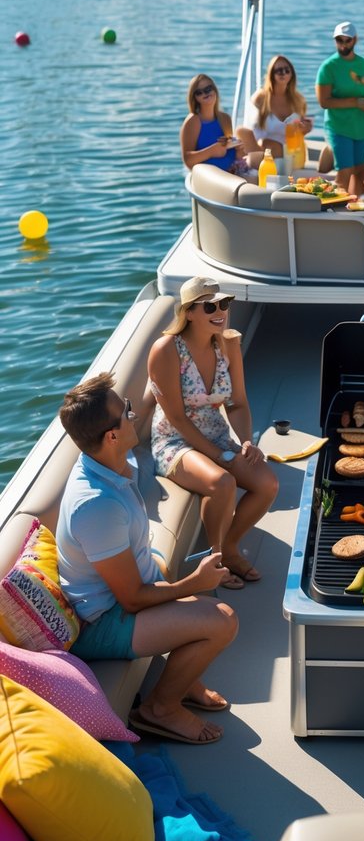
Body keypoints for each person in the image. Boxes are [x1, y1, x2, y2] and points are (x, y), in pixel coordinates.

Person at [57, 372, 238, 745]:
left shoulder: (112, 464)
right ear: (111, 435)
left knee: (171, 572)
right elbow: (132, 599)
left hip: (122, 594)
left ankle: (185, 681)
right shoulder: (96, 505)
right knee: (223, 621)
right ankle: (159, 709)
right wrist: (195, 584)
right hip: (102, 622)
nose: (132, 414)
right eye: (124, 411)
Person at [148, 276, 279, 588]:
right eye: (210, 306)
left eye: (224, 304)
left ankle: (231, 545)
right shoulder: (166, 349)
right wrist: (219, 455)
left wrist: (246, 440)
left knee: (268, 484)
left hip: (217, 435)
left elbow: (238, 403)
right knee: (222, 482)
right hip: (175, 440)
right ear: (189, 313)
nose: (220, 311)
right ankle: (215, 560)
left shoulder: (229, 342)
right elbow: (177, 419)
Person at [316, 21, 364, 195]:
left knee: (358, 171)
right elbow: (324, 102)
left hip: (360, 128)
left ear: (355, 40)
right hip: (338, 128)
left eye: (347, 40)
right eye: (340, 40)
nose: (344, 44)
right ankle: (331, 214)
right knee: (344, 172)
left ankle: (353, 213)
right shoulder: (328, 67)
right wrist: (355, 102)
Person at [236, 53, 313, 171]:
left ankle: (254, 166)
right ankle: (255, 164)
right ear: (271, 74)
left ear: (292, 74)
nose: (283, 73)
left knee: (269, 144)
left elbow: (301, 131)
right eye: (278, 70)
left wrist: (306, 129)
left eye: (287, 70)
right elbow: (250, 127)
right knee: (242, 131)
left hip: (288, 151)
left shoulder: (298, 100)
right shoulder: (260, 98)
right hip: (261, 148)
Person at [180, 74, 243, 174]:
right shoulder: (193, 120)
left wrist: (238, 147)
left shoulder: (225, 118)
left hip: (233, 170)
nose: (205, 93)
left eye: (208, 89)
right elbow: (187, 160)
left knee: (259, 156)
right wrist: (212, 151)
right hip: (210, 177)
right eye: (199, 92)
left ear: (215, 89)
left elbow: (231, 150)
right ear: (195, 97)